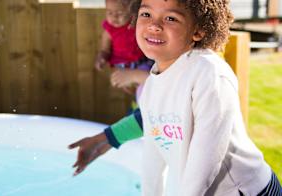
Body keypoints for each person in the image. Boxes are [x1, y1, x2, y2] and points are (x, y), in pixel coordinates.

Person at [69, 0, 282, 195]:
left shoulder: (208, 73)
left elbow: (206, 159)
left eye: (171, 18)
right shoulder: (154, 80)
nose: (154, 25)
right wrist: (105, 140)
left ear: (198, 30)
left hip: (246, 190)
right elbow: (153, 148)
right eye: (146, 14)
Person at [96, 0, 154, 102]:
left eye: (120, 13)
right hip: (122, 65)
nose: (114, 17)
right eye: (109, 12)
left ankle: (142, 104)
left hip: (142, 60)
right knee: (129, 87)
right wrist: (101, 58)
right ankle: (138, 104)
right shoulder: (109, 29)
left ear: (131, 12)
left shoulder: (135, 23)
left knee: (147, 85)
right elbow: (105, 50)